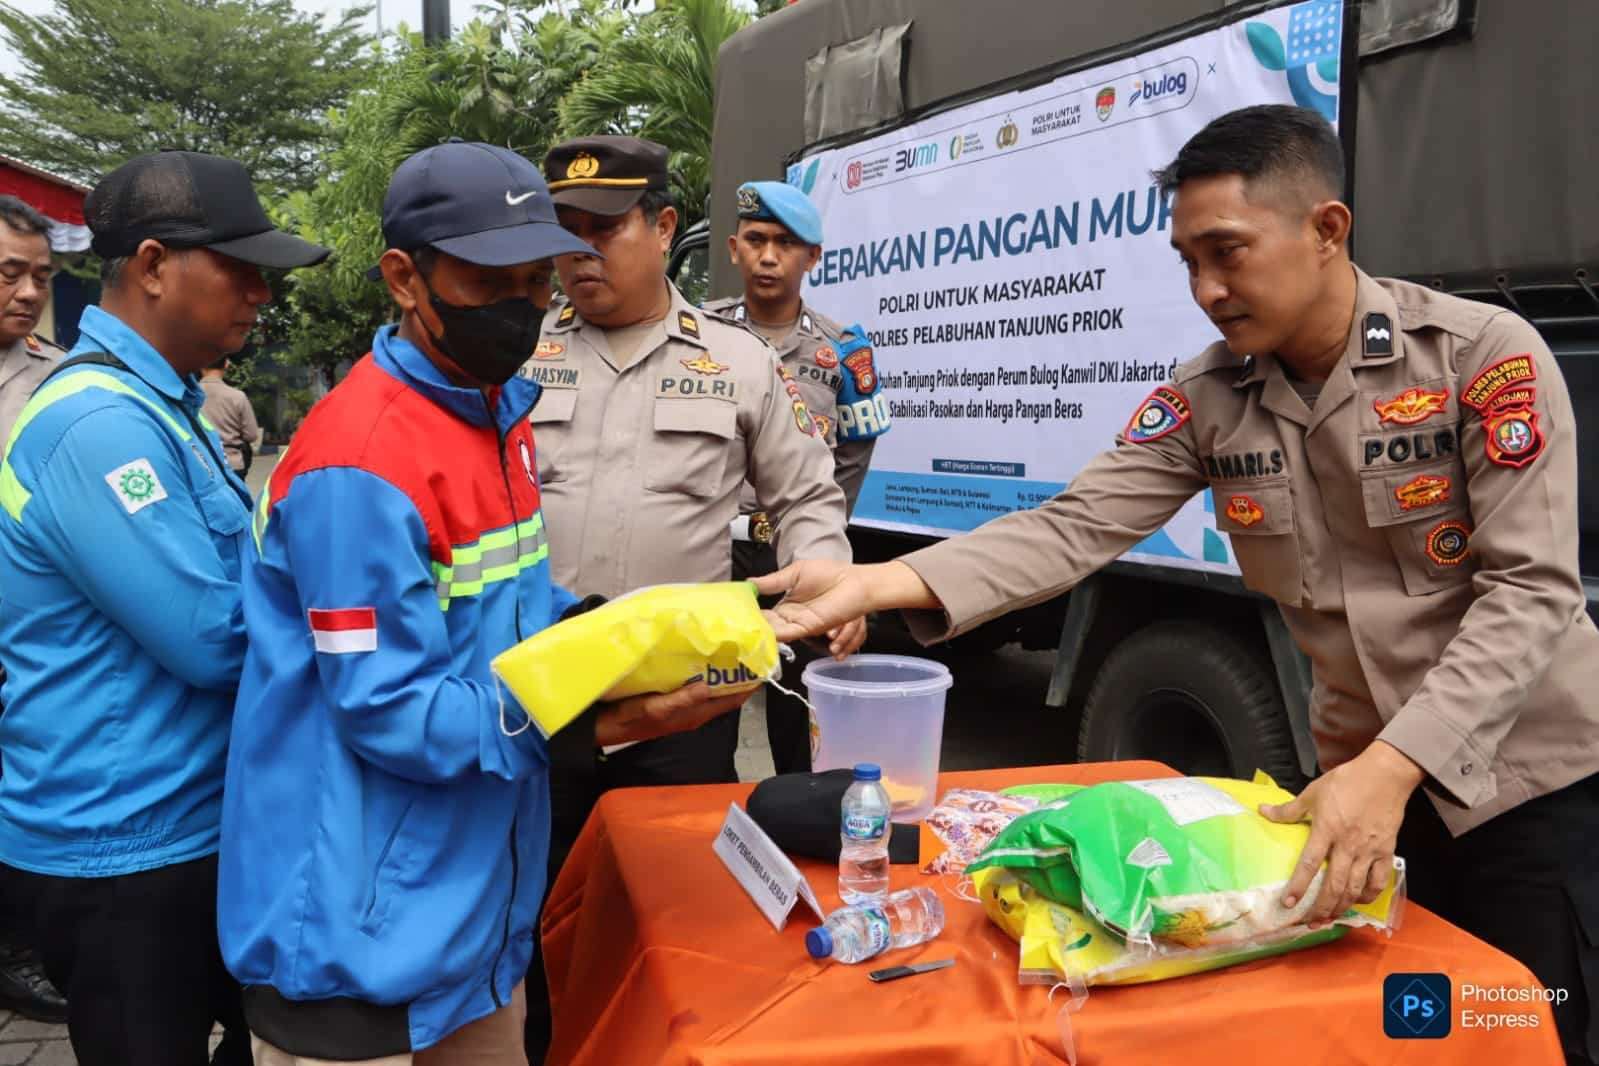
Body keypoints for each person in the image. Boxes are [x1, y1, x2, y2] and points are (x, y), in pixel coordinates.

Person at [755, 105, 1599, 1065]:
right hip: (1350, 797)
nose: (1206, 289)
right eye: (1188, 262)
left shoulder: (1478, 356)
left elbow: (1530, 592)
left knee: (1531, 1028)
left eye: (1226, 252)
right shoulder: (1209, 396)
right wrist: (878, 581)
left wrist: (1391, 767)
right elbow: (1073, 525)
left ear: (1326, 229)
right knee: (1404, 1032)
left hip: (1523, 794)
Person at [218, 141, 750, 1066]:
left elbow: (516, 606)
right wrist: (589, 725)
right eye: (487, 281)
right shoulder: (359, 465)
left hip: (470, 924)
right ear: (403, 278)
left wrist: (626, 638)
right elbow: (388, 708)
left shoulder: (494, 416)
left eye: (536, 280)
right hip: (358, 941)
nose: (521, 305)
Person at [518, 134, 859, 1063]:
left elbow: (806, 497)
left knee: (668, 916)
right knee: (530, 911)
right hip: (540, 695)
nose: (577, 252)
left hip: (683, 704)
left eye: (602, 229)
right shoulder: (520, 352)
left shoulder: (737, 361)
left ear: (664, 227)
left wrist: (828, 580)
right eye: (562, 231)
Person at [0, 150, 329, 1065]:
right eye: (240, 269)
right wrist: (360, 622)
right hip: (122, 846)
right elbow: (215, 639)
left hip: (182, 822)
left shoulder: (163, 404)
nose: (261, 293)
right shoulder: (100, 425)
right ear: (151, 265)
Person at [706, 180, 890, 774]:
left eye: (785, 244)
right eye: (756, 240)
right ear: (733, 248)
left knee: (799, 717)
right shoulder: (699, 336)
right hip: (714, 557)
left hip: (799, 557)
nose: (768, 256)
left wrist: (820, 538)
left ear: (812, 257)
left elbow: (854, 453)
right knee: (703, 710)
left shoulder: (844, 352)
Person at [0, 193, 67, 1023]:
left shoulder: (59, 378)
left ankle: (20, 950)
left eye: (40, 277)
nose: (27, 293)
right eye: (9, 273)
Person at [199, 355, 260, 476]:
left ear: (201, 365)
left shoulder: (188, 395)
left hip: (199, 463)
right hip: (232, 462)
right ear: (226, 364)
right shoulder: (237, 396)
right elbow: (251, 435)